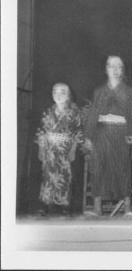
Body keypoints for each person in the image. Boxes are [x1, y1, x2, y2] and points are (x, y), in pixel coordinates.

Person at [84, 55, 132, 217]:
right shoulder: (99, 91)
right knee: (98, 168)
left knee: (123, 168)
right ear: (106, 69)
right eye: (111, 66)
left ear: (123, 70)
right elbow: (94, 113)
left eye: (119, 67)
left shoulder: (128, 91)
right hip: (101, 133)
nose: (115, 70)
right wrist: (88, 136)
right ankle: (97, 208)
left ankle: (128, 208)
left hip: (121, 133)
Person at [35, 83, 83, 216]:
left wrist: (73, 149)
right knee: (47, 176)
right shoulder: (47, 112)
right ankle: (45, 204)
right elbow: (41, 132)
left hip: (65, 151)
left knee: (66, 176)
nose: (58, 95)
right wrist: (41, 148)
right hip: (49, 150)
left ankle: (65, 206)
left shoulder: (74, 114)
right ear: (52, 95)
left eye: (62, 92)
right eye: (55, 92)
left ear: (69, 95)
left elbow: (78, 133)